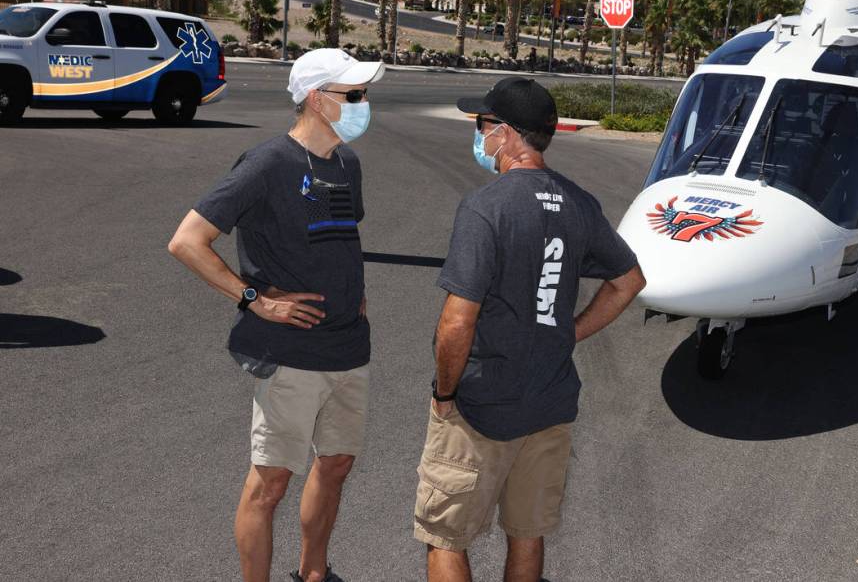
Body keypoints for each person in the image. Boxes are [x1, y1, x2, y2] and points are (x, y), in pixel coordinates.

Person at [414, 77, 646, 581]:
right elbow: (628, 281)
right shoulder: (580, 203)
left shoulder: (486, 207)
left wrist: (444, 392)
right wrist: (568, 333)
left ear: (508, 134)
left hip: (482, 405)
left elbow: (458, 320)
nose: (479, 135)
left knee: (445, 538)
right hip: (548, 403)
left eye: (483, 124)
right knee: (526, 534)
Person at [167, 48, 384, 582]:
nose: (364, 104)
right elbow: (187, 241)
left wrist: (355, 290)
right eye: (353, 95)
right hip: (291, 353)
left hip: (349, 347)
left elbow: (339, 237)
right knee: (271, 482)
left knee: (335, 466)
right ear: (316, 99)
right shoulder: (266, 163)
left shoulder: (345, 163)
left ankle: (313, 573)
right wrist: (255, 300)